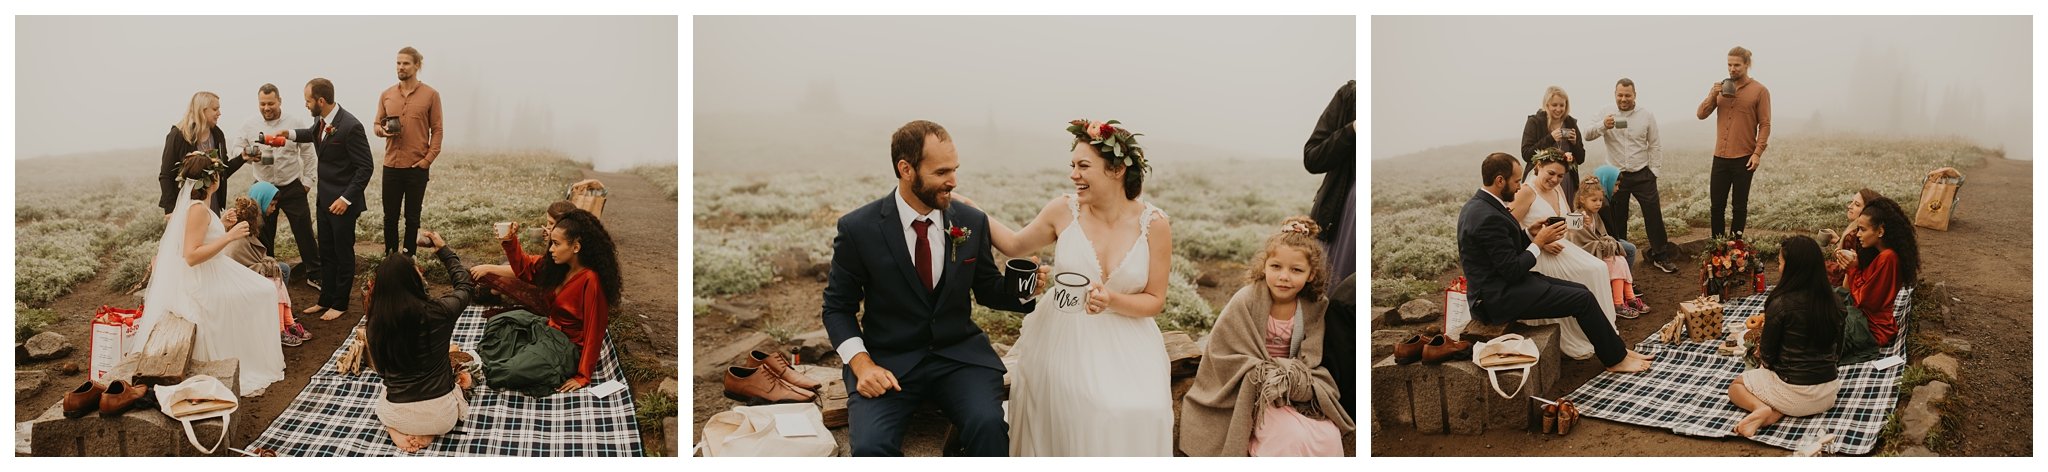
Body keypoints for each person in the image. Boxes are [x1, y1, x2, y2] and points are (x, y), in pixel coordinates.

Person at [818, 120, 1036, 456]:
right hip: (888, 362)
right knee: (870, 448)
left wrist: (1029, 287)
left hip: (960, 359)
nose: (953, 181)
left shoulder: (971, 221)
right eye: (941, 172)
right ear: (906, 169)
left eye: (955, 169)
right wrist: (862, 365)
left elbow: (989, 290)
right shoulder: (858, 228)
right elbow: (837, 308)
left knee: (989, 427)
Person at [972, 119, 1175, 456]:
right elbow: (1012, 244)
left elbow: (1155, 300)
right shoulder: (1063, 210)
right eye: (1072, 166)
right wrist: (970, 209)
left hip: (1131, 344)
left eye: (1083, 166)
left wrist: (1112, 300)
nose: (1073, 175)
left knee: (1147, 410)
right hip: (1066, 336)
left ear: (1117, 170)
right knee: (1094, 407)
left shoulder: (1154, 225)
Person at [1459, 152, 1651, 372]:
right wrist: (1539, 243)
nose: (1519, 186)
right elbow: (1511, 270)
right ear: (1499, 180)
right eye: (1516, 181)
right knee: (1582, 299)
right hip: (1497, 299)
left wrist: (1530, 235)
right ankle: (1615, 360)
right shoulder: (1486, 216)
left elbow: (1504, 250)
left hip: (1505, 286)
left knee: (1582, 290)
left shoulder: (1482, 205)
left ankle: (1617, 350)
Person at [1180, 217, 1351, 457]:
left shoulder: (1314, 306)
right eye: (1276, 267)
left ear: (1311, 275)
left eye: (1296, 270)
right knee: (1289, 437)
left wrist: (1291, 377)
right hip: (1255, 388)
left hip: (1291, 387)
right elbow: (1223, 350)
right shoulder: (1245, 300)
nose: (1284, 277)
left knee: (1328, 435)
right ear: (1265, 266)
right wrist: (1265, 375)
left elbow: (1311, 355)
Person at [132, 152, 286, 397]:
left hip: (215, 269)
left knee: (264, 290)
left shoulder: (200, 207)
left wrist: (222, 224)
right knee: (261, 293)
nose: (219, 177)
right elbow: (191, 256)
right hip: (202, 280)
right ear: (211, 180)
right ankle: (246, 357)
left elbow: (202, 236)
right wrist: (229, 236)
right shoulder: (197, 210)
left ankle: (247, 351)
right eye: (217, 173)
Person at [1508, 151, 1625, 360]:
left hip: (1562, 246)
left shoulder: (1557, 190)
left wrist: (1580, 220)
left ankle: (1602, 332)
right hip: (1539, 252)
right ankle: (1585, 334)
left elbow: (1563, 222)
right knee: (1592, 271)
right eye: (1551, 173)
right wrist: (1540, 244)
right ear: (1538, 167)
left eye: (1560, 176)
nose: (1554, 179)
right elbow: (1509, 229)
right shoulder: (1526, 191)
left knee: (1598, 268)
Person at [366, 230, 474, 453]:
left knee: (382, 397)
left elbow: (382, 372)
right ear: (413, 279)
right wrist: (443, 250)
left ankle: (394, 430)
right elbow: (465, 286)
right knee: (462, 383)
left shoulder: (375, 323)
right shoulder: (440, 312)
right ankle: (428, 431)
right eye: (416, 270)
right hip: (442, 416)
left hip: (397, 413)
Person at [1729, 236, 1844, 437]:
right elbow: (1839, 349)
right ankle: (1775, 413)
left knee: (1736, 386)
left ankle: (1761, 408)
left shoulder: (1781, 303)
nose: (1779, 267)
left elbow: (1768, 354)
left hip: (1795, 389)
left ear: (1792, 268)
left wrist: (1761, 360)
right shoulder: (1835, 301)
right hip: (1828, 393)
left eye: (1781, 262)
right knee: (1787, 391)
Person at [498, 209, 621, 393]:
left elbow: (594, 332)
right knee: (499, 325)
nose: (550, 249)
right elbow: (525, 268)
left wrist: (583, 376)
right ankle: (530, 356)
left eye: (556, 244)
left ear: (576, 247)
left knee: (510, 372)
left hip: (567, 348)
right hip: (548, 330)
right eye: (551, 243)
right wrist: (509, 241)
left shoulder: (591, 281)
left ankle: (534, 362)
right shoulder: (558, 266)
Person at [284, 78, 376, 322]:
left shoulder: (351, 126)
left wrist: (346, 199)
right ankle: (325, 299)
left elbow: (365, 168)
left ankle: (340, 303)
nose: (306, 105)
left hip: (343, 204)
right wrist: (290, 134)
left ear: (321, 101)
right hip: (323, 200)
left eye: (308, 100)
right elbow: (312, 134)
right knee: (325, 252)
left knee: (342, 253)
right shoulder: (320, 121)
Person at [1582, 78, 1680, 274]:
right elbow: (1587, 134)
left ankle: (1660, 255)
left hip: (1642, 172)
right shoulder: (1605, 112)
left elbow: (1654, 144)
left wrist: (1654, 172)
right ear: (1614, 94)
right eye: (1620, 95)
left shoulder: (1646, 115)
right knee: (1617, 218)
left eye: (1627, 95)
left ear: (1635, 94)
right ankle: (1620, 258)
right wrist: (1603, 125)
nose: (1623, 99)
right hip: (1615, 175)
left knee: (1653, 214)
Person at [233, 83, 323, 289]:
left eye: (271, 103)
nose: (267, 108)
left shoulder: (295, 121)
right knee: (262, 233)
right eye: (262, 104)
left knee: (304, 231)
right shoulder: (249, 124)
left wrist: (308, 182)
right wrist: (248, 154)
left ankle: (315, 273)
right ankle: (268, 275)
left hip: (291, 184)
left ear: (279, 101)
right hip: (262, 187)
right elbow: (235, 149)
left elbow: (308, 154)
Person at [1302, 80, 1357, 414]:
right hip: (1343, 214)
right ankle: (1328, 395)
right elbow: (1313, 156)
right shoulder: (1350, 95)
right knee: (1333, 306)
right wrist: (1352, 129)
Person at [374, 46, 446, 256]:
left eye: (405, 63)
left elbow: (438, 130)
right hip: (391, 165)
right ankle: (390, 258)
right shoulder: (386, 94)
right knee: (390, 217)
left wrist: (428, 160)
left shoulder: (431, 95)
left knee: (412, 217)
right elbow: (377, 124)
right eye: (398, 63)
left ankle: (409, 258)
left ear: (417, 65)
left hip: (417, 166)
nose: (401, 67)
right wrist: (382, 131)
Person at [1697, 46, 1773, 238]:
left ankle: (1736, 248)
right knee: (1716, 206)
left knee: (1739, 207)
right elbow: (1701, 114)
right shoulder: (1720, 87)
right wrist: (1713, 95)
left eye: (1737, 65)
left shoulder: (1760, 91)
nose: (1732, 69)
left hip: (1744, 158)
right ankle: (1718, 248)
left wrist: (1757, 153)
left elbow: (1765, 124)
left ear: (1747, 65)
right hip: (1720, 157)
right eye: (1729, 65)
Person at [221, 188, 311, 346]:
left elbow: (256, 258)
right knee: (276, 280)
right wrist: (265, 267)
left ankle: (288, 322)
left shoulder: (247, 234)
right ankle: (280, 329)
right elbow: (239, 269)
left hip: (250, 275)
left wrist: (268, 265)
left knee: (277, 278)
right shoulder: (237, 241)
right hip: (240, 282)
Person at [1839, 196, 1918, 348]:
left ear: (1880, 231)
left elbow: (1865, 300)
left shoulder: (1888, 258)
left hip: (1873, 329)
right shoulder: (1879, 254)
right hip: (1862, 318)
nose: (1857, 234)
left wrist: (1852, 269)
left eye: (1862, 229)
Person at [1567, 178, 1649, 319]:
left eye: (1600, 200)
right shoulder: (1578, 216)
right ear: (1582, 199)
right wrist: (1602, 244)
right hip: (1585, 256)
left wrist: (1607, 243)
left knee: (1621, 259)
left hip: (1597, 251)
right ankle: (1618, 303)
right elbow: (1578, 242)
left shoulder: (1595, 216)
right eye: (1594, 200)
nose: (1599, 203)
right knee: (1615, 263)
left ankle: (1630, 298)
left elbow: (1602, 235)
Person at [158, 91, 246, 215]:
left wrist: (242, 158)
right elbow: (166, 175)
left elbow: (222, 172)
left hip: (212, 203)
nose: (219, 113)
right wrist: (170, 209)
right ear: (202, 111)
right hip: (186, 206)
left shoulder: (217, 135)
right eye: (215, 109)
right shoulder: (178, 135)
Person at [469, 201, 577, 281]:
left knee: (504, 278)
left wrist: (489, 268)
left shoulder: (568, 258)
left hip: (549, 295)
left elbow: (530, 269)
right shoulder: (570, 244)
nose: (547, 227)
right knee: (505, 267)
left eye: (551, 223)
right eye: (547, 222)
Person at [1521, 86, 1589, 203]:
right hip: (1540, 178)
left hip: (1567, 180)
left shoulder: (1570, 123)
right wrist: (1550, 138)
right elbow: (1526, 154)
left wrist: (1574, 143)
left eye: (1562, 105)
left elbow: (1581, 158)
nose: (1558, 109)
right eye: (1554, 105)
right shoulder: (1535, 122)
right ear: (1546, 105)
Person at [1823, 189, 1885, 286]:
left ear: (1868, 211)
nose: (1849, 206)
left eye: (1857, 204)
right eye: (1851, 202)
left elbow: (1848, 268)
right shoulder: (1870, 234)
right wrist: (1838, 241)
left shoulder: (1854, 234)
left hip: (1846, 279)